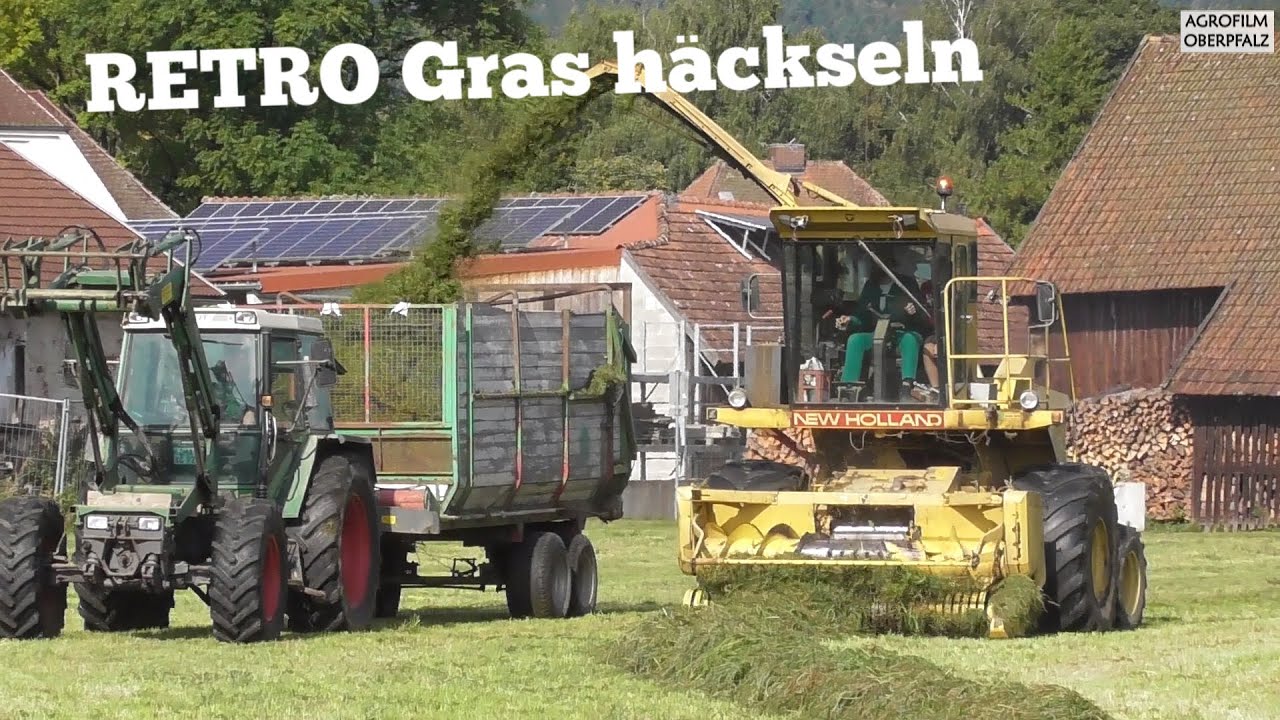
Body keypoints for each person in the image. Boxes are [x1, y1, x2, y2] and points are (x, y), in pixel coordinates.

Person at [835, 259, 931, 398]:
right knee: (855, 340)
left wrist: (913, 311)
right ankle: (848, 388)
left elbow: (922, 311)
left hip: (902, 332)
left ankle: (907, 385)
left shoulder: (907, 284)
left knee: (910, 339)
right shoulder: (870, 286)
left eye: (879, 265)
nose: (875, 269)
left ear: (889, 266)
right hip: (876, 333)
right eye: (873, 265)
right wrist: (849, 320)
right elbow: (861, 315)